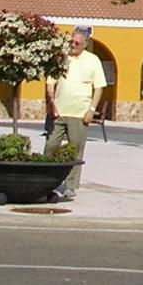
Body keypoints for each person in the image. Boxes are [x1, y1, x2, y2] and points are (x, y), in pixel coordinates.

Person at [44, 25, 106, 198]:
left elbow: (99, 87)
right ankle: (47, 181)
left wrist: (91, 110)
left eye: (77, 43)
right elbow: (50, 82)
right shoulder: (61, 58)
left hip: (80, 113)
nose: (73, 45)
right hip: (59, 111)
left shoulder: (93, 60)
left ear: (85, 44)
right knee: (50, 146)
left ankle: (70, 185)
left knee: (75, 149)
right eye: (71, 42)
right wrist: (51, 103)